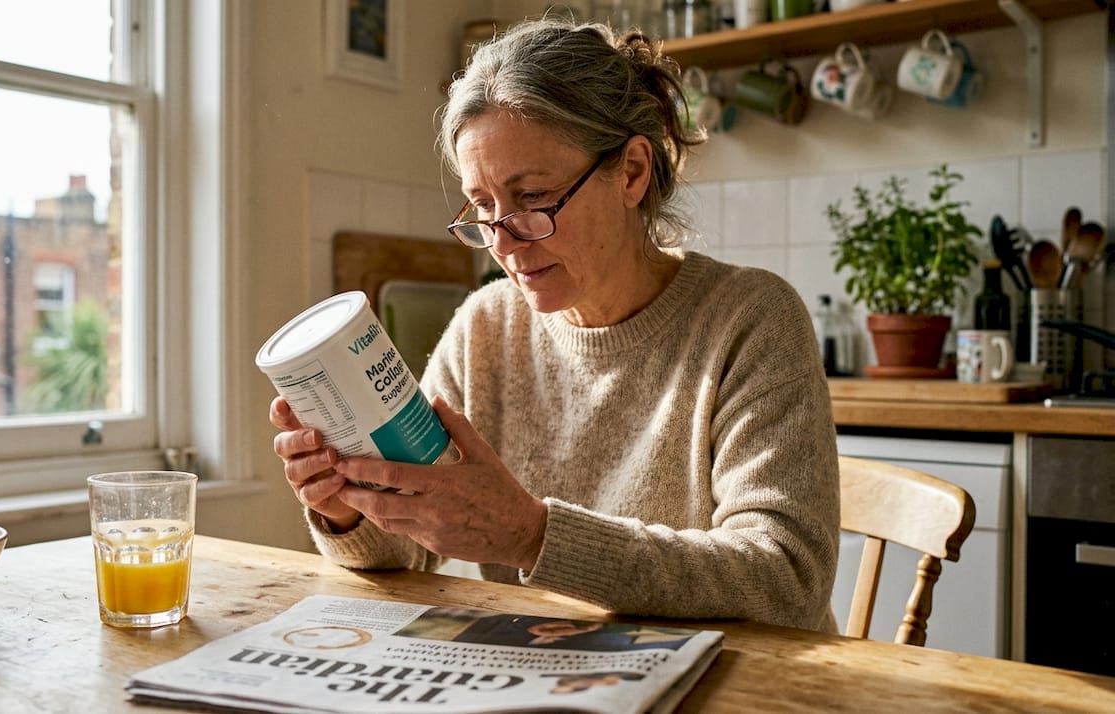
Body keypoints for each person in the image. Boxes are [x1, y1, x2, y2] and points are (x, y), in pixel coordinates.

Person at [271, 17, 840, 633]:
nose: (505, 244)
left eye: (535, 198)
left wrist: (533, 536)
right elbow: (408, 550)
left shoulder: (750, 320)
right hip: (551, 674)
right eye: (484, 207)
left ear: (631, 172)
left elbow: (787, 578)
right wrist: (349, 509)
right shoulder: (486, 326)